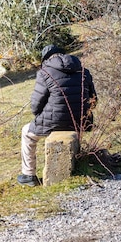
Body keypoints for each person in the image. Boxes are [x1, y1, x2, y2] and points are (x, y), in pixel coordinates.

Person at [17, 44, 97, 186]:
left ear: (46, 59)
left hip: (54, 121)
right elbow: (94, 100)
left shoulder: (45, 72)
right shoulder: (84, 71)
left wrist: (40, 117)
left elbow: (35, 105)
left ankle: (28, 175)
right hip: (81, 121)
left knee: (26, 133)